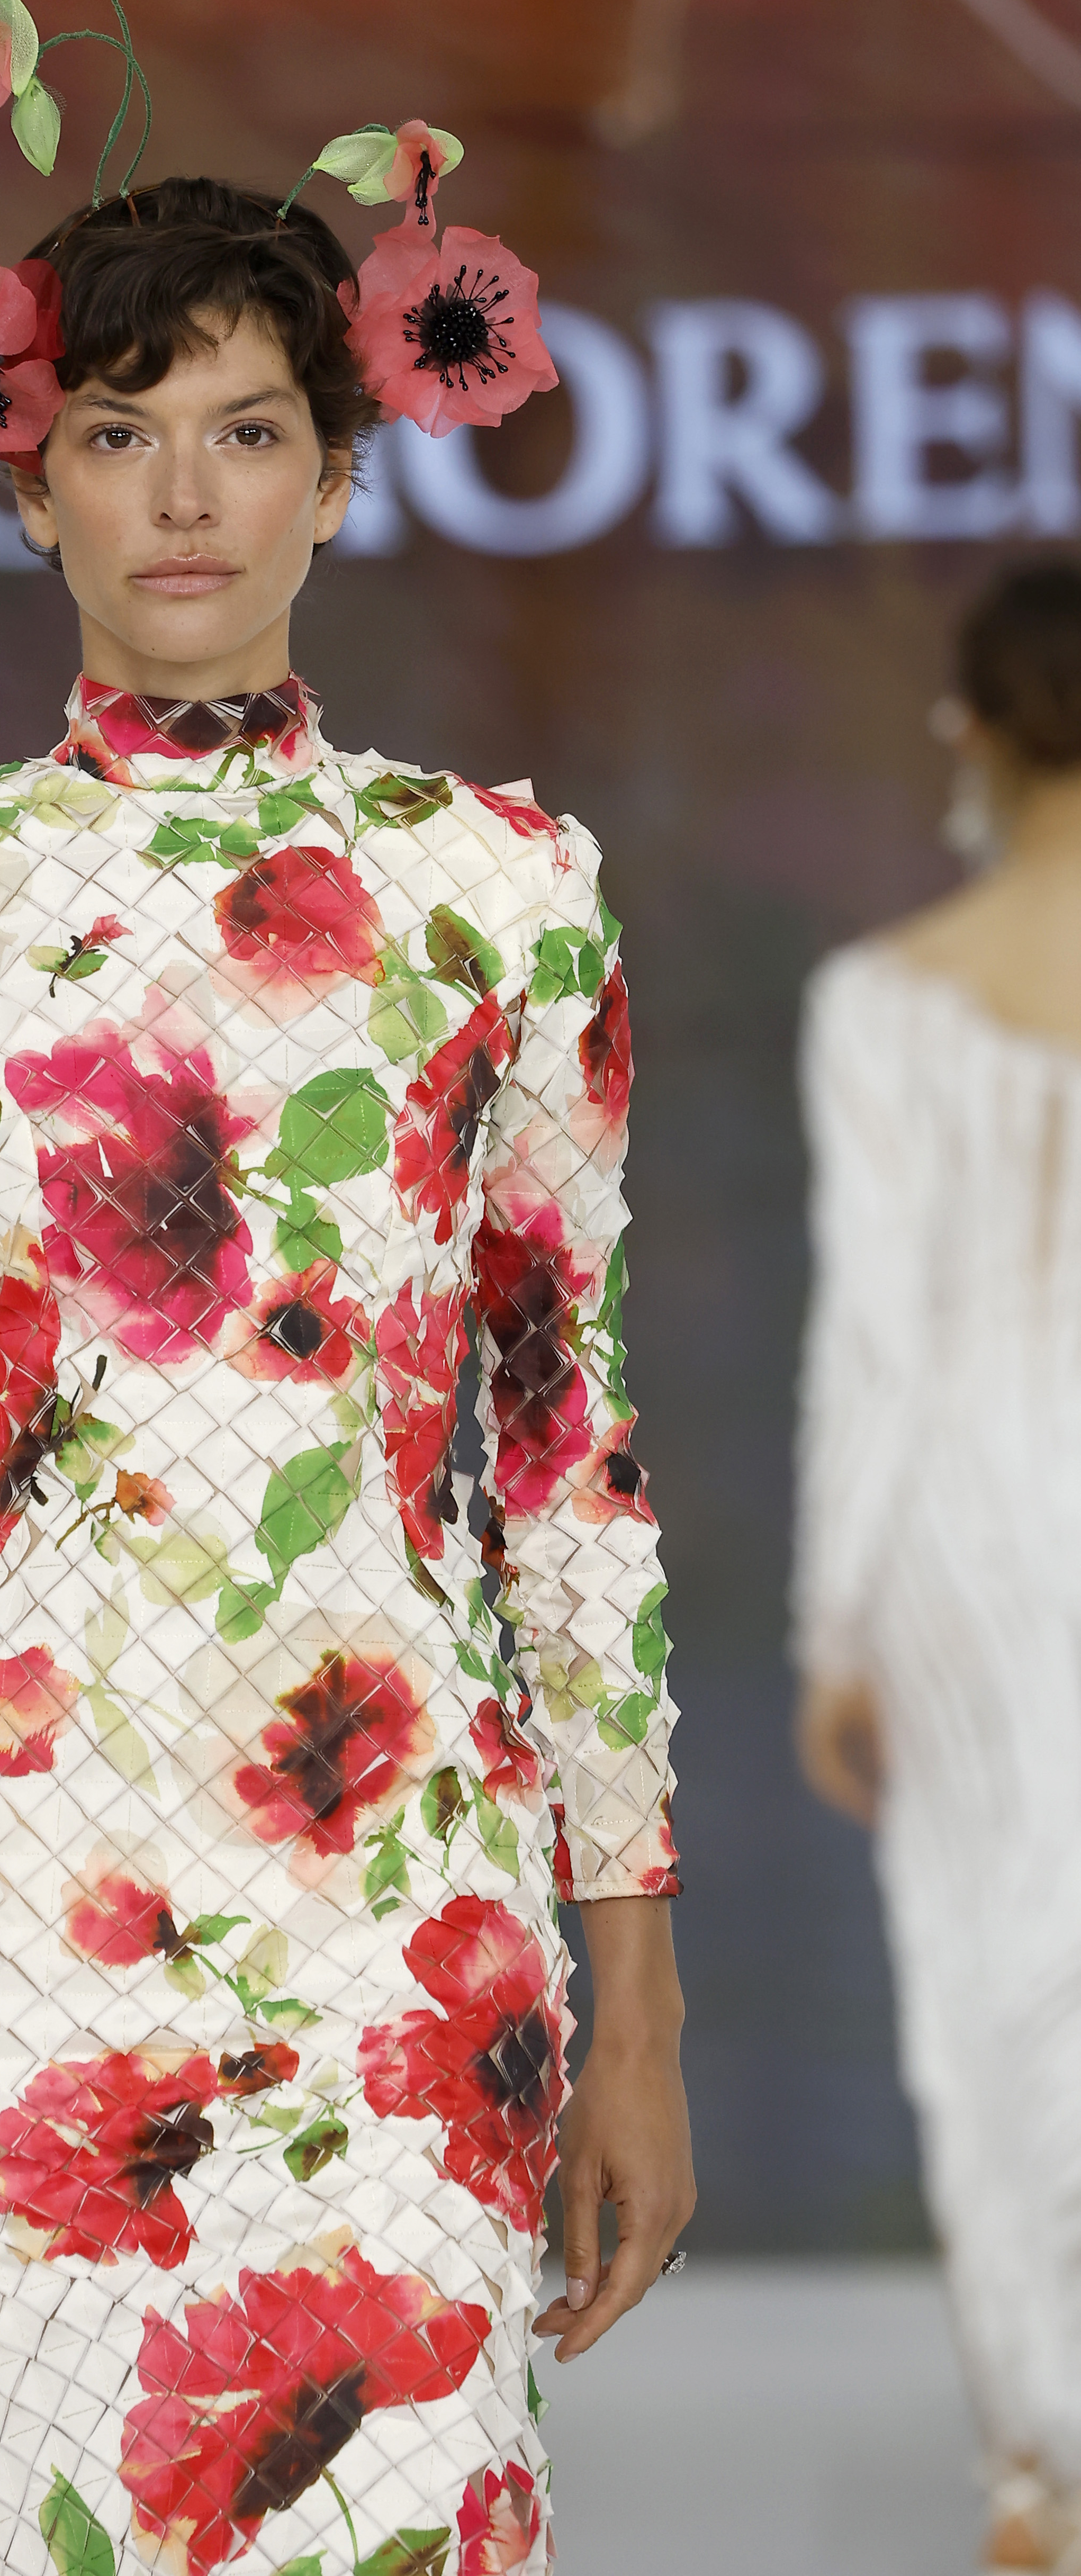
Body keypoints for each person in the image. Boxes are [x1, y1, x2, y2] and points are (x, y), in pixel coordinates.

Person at [0, 175, 693, 2576]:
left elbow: (568, 1468)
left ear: (340, 475)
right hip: (22, 1879)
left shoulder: (505, 887)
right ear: (31, 488)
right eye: (119, 431)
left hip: (407, 1887)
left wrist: (645, 2005)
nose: (185, 493)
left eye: (248, 429)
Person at [795, 561, 1081, 2573]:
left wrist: (834, 1624)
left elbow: (878, 1343)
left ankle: (1044, 2454)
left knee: (1000, 1970)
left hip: (976, 1522)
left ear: (973, 731)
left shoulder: (888, 997)